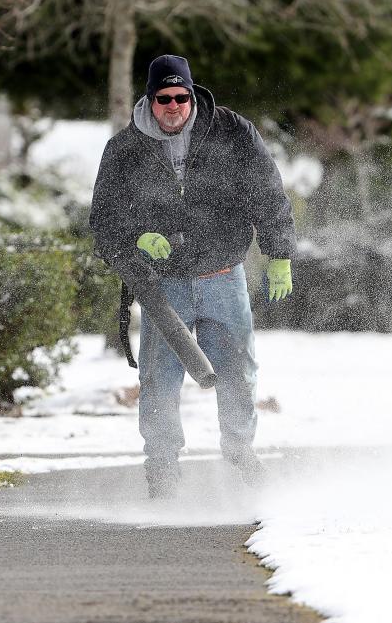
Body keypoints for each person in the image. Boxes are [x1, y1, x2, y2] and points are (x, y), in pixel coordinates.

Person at [90, 54, 296, 498]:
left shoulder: (231, 131)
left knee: (238, 370)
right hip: (162, 287)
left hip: (223, 274)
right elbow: (103, 220)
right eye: (162, 98)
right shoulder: (124, 149)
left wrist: (279, 253)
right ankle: (162, 469)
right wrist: (136, 239)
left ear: (191, 95)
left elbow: (267, 191)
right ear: (150, 99)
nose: (173, 106)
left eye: (180, 97)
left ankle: (241, 453)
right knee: (159, 376)